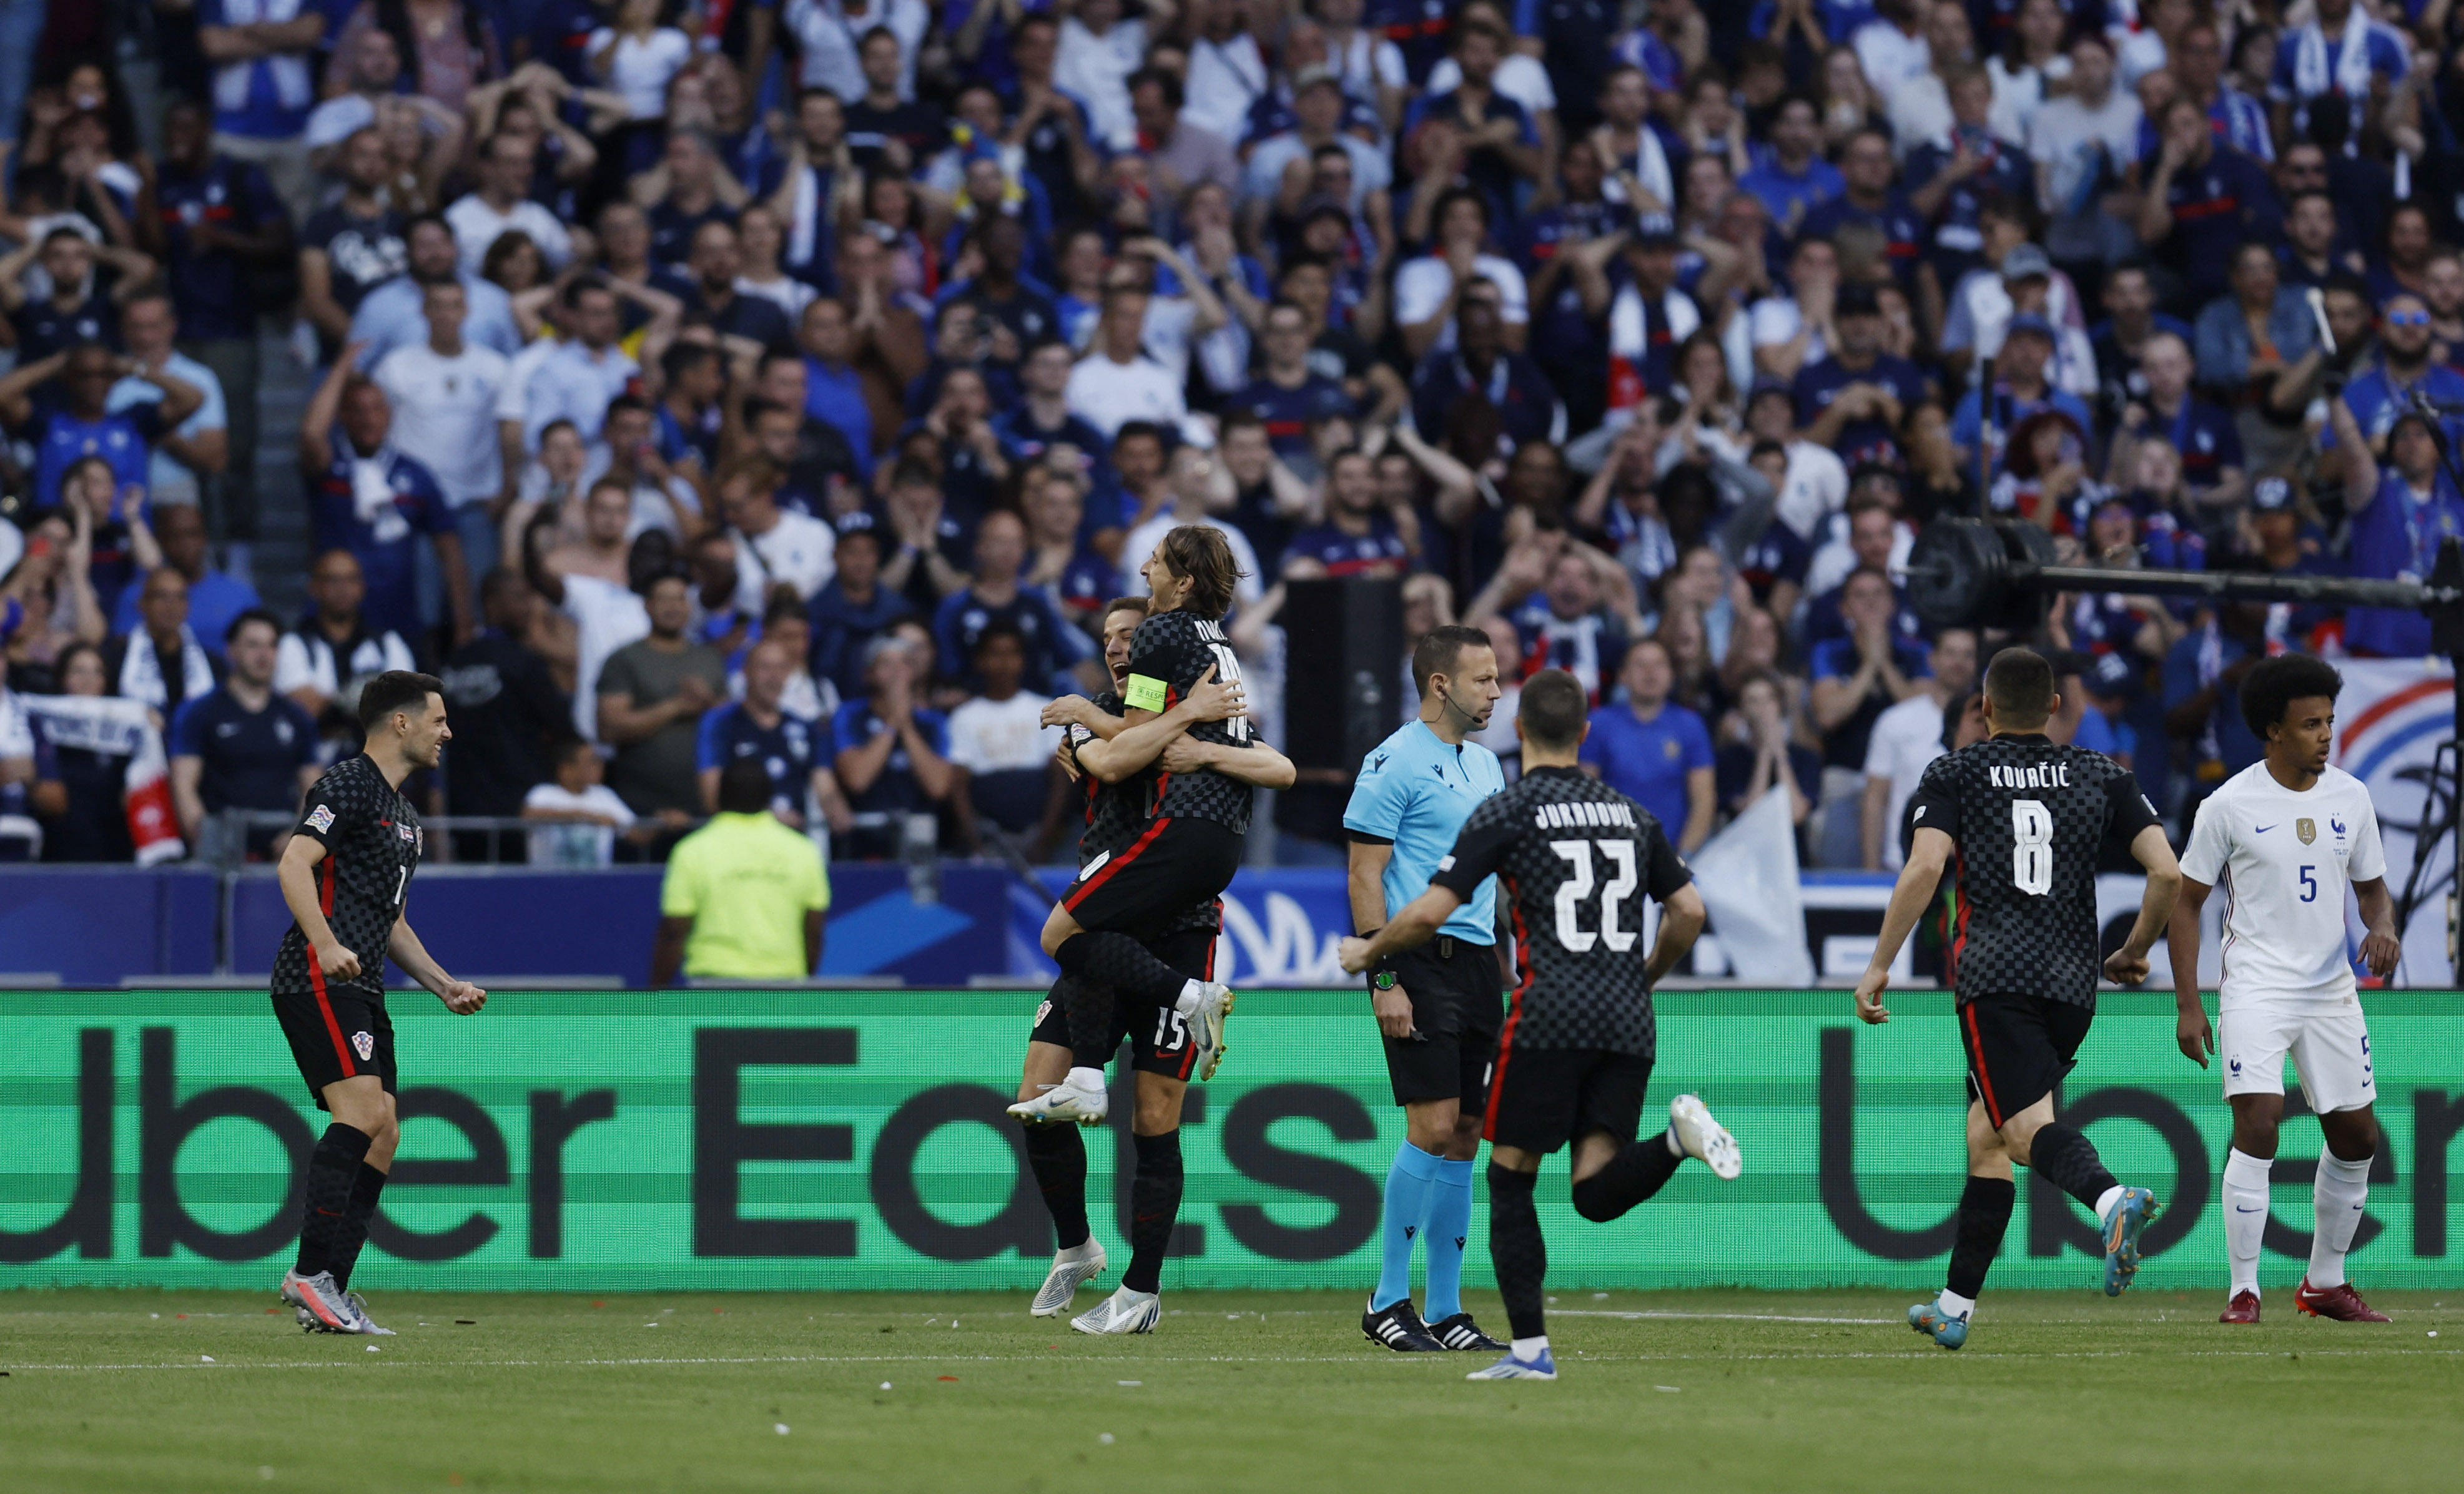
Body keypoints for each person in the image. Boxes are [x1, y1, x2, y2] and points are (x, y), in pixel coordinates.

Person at [1336, 667, 1738, 1383]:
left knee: (1509, 1173)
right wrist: (1645, 974)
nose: (1493, 693)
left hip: (1547, 1009)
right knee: (1592, 1187)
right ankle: (1677, 1140)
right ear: (1586, 733)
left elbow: (1428, 907)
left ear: (1521, 730)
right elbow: (1689, 911)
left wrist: (1370, 954)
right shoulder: (1631, 813)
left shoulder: (1509, 805)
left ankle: (1525, 1349)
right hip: (1628, 1017)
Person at [1853, 648, 2182, 1350]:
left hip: (1996, 977)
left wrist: (1879, 963)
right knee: (1987, 1135)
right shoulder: (2101, 772)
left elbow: (1926, 865)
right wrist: (2135, 948)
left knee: (2024, 1131)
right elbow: (2166, 872)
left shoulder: (1956, 771)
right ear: (2055, 706)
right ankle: (1953, 1306)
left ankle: (2111, 1199)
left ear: (1985, 707)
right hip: (2072, 984)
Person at [1008, 588, 1292, 1335]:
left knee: (1156, 1115)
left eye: (1131, 634)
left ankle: (1142, 1290)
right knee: (1035, 1095)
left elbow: (1276, 764)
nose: (1117, 646)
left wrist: (1203, 734)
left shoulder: (1204, 713)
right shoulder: (1102, 716)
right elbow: (1115, 757)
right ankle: (1077, 1243)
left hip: (1180, 926)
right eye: (1108, 636)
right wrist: (1180, 716)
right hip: (1109, 922)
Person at [2166, 654, 2399, 1326]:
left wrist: (2382, 926)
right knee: (2259, 1120)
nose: (2325, 735)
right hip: (2257, 987)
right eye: (2309, 724)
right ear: (2273, 730)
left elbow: (2373, 890)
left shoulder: (2351, 797)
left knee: (2357, 1136)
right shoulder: (2228, 805)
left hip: (2331, 990)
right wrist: (2189, 1004)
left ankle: (2324, 1281)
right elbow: (2186, 904)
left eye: (2328, 721)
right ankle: (2244, 1290)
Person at [270, 671, 487, 1337]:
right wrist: (325, 942)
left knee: (385, 1129)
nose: (447, 731)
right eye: (438, 719)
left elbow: (390, 921)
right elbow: (293, 863)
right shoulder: (348, 784)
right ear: (401, 722)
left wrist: (443, 983)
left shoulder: (406, 819)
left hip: (362, 984)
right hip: (318, 975)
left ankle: (331, 1288)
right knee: (363, 1114)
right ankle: (309, 1273)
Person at [1342, 622, 1510, 1355]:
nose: (1497, 691)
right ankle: (1386, 1299)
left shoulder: (1487, 764)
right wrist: (1383, 977)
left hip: (1477, 964)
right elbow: (1364, 873)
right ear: (1441, 683)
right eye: (1484, 679)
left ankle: (1445, 1309)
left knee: (1467, 1132)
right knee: (1432, 1126)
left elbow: (1493, 876)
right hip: (1415, 961)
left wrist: (1506, 960)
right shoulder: (1392, 761)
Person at [299, 346, 471, 648]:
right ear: (342, 415)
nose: (369, 419)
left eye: (377, 409)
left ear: (389, 415)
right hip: (330, 619)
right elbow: (312, 434)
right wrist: (342, 367)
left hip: (398, 616)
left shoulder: (415, 475)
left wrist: (464, 622)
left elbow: (450, 550)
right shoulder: (329, 467)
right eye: (358, 410)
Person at [651, 759, 832, 984]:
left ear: (720, 795)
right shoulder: (803, 851)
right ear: (769, 798)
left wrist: (657, 991)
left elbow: (674, 930)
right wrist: (805, 980)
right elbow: (814, 931)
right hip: (784, 983)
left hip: (715, 985)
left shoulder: (693, 850)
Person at [169, 609, 320, 855]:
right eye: (253, 645)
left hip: (282, 851)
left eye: (271, 646)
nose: (264, 655)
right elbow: (183, 785)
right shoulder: (199, 712)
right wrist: (207, 842)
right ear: (231, 651)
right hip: (222, 850)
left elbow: (314, 788)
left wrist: (300, 837)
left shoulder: (296, 717)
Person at [596, 571, 727, 817]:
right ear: (647, 606)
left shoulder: (709, 657)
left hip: (703, 802)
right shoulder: (625, 659)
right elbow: (609, 728)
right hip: (641, 805)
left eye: (680, 599)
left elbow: (731, 721)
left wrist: (708, 702)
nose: (673, 607)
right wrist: (676, 706)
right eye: (664, 600)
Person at [696, 636, 845, 828]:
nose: (775, 677)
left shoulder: (803, 727)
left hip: (791, 842)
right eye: (765, 667)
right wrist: (771, 818)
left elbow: (825, 785)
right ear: (745, 672)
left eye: (782, 668)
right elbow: (712, 798)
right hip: (741, 840)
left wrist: (836, 809)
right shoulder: (720, 723)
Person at [1580, 637, 1713, 853]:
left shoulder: (1690, 725)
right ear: (1623, 676)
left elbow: (1704, 800)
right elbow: (1585, 798)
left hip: (1673, 854)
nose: (1651, 673)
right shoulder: (1599, 724)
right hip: (1612, 853)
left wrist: (1682, 859)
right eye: (1640, 665)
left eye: (1659, 665)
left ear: (1672, 675)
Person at [1861, 628, 1979, 872]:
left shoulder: (1991, 725)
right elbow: (1875, 797)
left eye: (1968, 655)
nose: (1959, 662)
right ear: (1932, 659)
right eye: (1950, 653)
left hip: (1972, 868)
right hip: (1903, 862)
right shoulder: (1896, 720)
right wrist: (1872, 870)